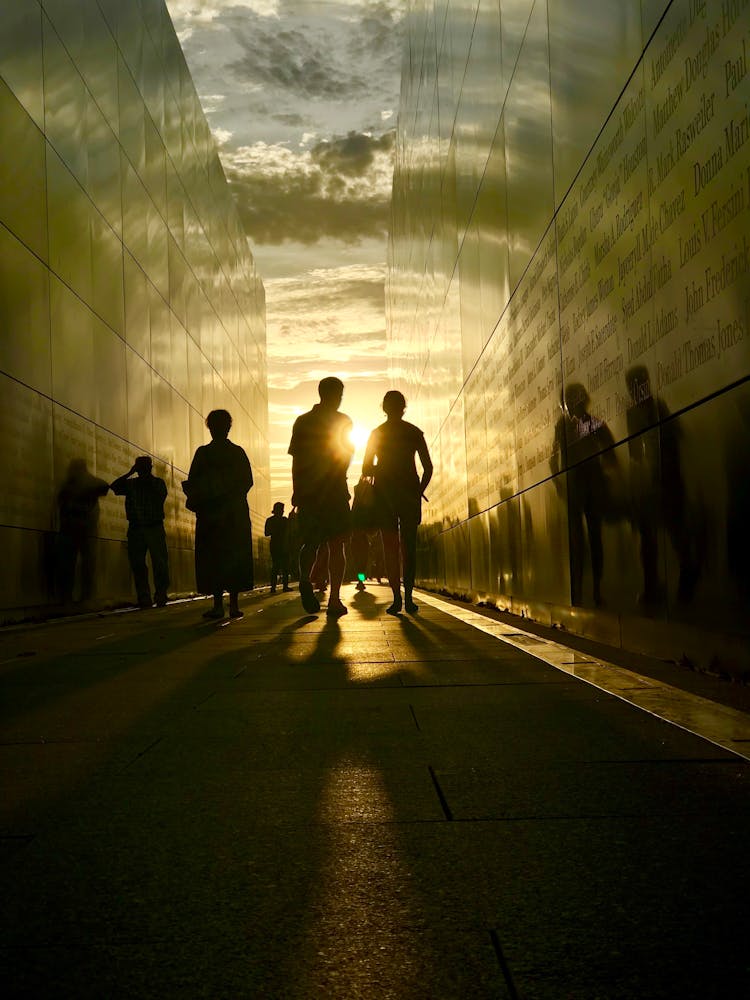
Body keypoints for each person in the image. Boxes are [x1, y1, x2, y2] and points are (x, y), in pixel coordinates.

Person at [288, 377, 354, 617]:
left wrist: (297, 490)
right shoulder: (344, 421)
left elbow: (296, 460)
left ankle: (305, 579)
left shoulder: (303, 421)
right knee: (338, 545)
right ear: (336, 396)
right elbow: (346, 455)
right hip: (335, 491)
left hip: (310, 492)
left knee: (311, 542)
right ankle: (335, 599)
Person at [362, 390, 433, 614]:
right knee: (409, 547)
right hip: (409, 494)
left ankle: (396, 599)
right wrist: (418, 490)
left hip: (384, 495)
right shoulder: (413, 432)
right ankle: (409, 597)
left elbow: (365, 467)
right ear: (404, 407)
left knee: (390, 547)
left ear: (384, 408)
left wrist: (382, 470)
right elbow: (428, 468)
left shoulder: (376, 434)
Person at [550, 383, 619, 608]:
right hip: (580, 485)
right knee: (582, 540)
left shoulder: (585, 423)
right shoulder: (571, 424)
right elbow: (554, 457)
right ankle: (585, 590)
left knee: (588, 539)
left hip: (584, 484)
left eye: (572, 401)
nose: (570, 406)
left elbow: (609, 451)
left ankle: (590, 590)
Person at [182, 409, 254, 620]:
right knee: (233, 557)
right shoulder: (237, 453)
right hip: (234, 515)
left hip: (211, 515)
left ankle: (217, 605)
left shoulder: (203, 454)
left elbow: (193, 482)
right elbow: (246, 482)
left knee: (213, 558)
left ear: (210, 428)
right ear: (228, 427)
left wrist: (210, 495)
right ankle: (233, 604)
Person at [111, 457, 169, 608]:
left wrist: (134, 474)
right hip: (137, 528)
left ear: (150, 467)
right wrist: (130, 473)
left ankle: (160, 595)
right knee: (138, 564)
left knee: (160, 564)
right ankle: (144, 597)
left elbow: (161, 495)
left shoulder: (158, 483)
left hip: (154, 526)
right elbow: (114, 487)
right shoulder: (131, 484)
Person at [56, 459, 110, 604]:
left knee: (86, 565)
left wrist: (83, 486)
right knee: (69, 565)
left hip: (85, 530)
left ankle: (85, 595)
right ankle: (68, 595)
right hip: (71, 530)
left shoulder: (89, 484)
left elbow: (104, 486)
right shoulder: (68, 486)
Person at [264, 502, 291, 593]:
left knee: (276, 566)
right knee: (283, 567)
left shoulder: (270, 520)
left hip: (275, 545)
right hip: (282, 544)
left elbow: (267, 533)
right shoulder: (284, 520)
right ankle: (284, 587)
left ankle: (273, 588)